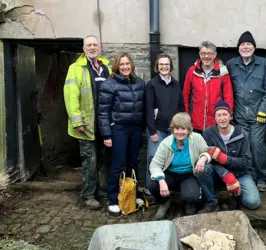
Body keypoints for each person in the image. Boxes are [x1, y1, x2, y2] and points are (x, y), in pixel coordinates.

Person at [63, 35, 111, 210]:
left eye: (94, 45)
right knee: (90, 162)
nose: (92, 48)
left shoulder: (106, 67)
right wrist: (77, 122)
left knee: (101, 161)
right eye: (88, 45)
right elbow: (70, 97)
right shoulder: (75, 68)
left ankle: (99, 189)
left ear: (100, 47)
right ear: (83, 49)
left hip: (104, 126)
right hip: (85, 127)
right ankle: (88, 195)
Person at [226, 31, 266, 191]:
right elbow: (226, 88)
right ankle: (250, 176)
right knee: (244, 147)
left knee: (257, 143)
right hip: (239, 115)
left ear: (254, 48)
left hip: (258, 115)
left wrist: (264, 111)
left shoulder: (263, 64)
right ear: (238, 48)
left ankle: (261, 177)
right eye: (242, 44)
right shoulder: (231, 64)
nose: (245, 47)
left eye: (248, 44)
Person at [98, 52, 145, 216]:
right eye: (122, 64)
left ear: (131, 65)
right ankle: (112, 199)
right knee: (117, 164)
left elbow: (143, 106)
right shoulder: (109, 85)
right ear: (117, 67)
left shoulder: (139, 83)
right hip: (118, 129)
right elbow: (103, 112)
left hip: (136, 128)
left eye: (127, 64)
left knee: (133, 162)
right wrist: (106, 135)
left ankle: (135, 193)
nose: (125, 67)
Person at [198, 101, 261, 213]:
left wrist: (226, 159)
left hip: (240, 173)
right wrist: (226, 175)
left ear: (230, 116)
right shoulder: (208, 133)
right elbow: (210, 158)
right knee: (204, 167)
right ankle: (211, 202)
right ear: (215, 118)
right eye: (219, 115)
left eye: (225, 114)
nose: (222, 118)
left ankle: (236, 196)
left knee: (253, 202)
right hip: (218, 174)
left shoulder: (242, 133)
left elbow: (246, 162)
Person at [149, 112, 211, 220]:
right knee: (153, 185)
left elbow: (208, 151)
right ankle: (164, 202)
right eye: (177, 129)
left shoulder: (196, 138)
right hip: (171, 174)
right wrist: (161, 180)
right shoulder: (166, 143)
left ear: (189, 129)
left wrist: (203, 158)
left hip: (189, 174)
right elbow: (155, 164)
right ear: (173, 130)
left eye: (183, 128)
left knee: (192, 195)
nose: (180, 132)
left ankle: (189, 203)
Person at [144, 54, 185, 197]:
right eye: (161, 64)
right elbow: (148, 109)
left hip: (173, 131)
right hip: (158, 130)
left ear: (171, 66)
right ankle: (150, 190)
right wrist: (152, 130)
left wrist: (181, 126)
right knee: (154, 158)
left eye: (166, 64)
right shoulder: (152, 84)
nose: (164, 67)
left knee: (171, 159)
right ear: (157, 66)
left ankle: (166, 188)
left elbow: (181, 106)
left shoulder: (176, 84)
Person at [183, 41, 234, 133]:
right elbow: (185, 96)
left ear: (214, 55)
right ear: (199, 54)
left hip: (215, 123)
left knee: (214, 148)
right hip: (195, 122)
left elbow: (228, 98)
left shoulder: (223, 72)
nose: (206, 56)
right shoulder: (192, 71)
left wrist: (227, 118)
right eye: (203, 53)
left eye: (209, 53)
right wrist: (186, 117)